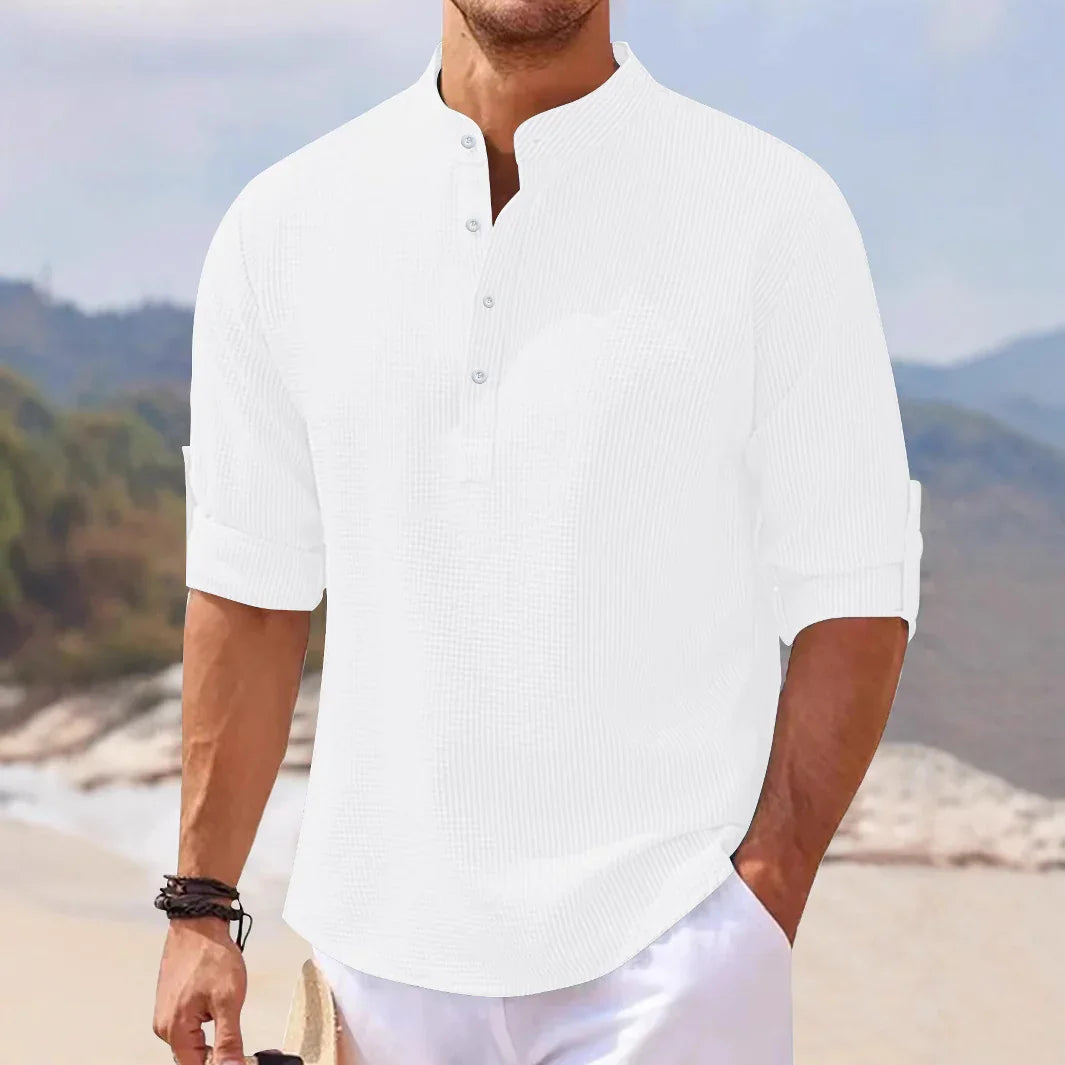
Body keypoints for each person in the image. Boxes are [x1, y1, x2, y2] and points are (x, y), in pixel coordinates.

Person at [153, 1, 924, 1062]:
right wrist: (200, 905)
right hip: (376, 979)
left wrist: (758, 904)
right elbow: (249, 590)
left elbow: (856, 589)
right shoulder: (284, 225)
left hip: (669, 968)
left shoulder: (773, 211)